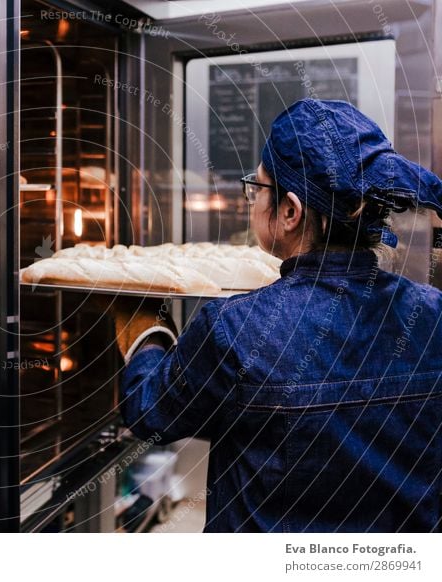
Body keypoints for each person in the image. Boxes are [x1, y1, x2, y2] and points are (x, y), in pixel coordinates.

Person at [115, 99, 442, 532]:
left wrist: (144, 325)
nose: (252, 199)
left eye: (257, 188)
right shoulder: (432, 315)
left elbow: (151, 413)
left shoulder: (233, 327)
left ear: (290, 212)